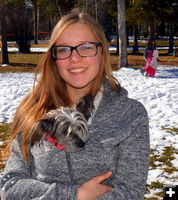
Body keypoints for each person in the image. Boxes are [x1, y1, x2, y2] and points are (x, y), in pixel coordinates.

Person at [1, 13, 150, 200]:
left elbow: (130, 193)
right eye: (64, 49)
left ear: (102, 52)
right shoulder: (32, 110)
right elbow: (10, 186)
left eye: (86, 47)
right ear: (54, 57)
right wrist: (74, 195)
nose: (75, 58)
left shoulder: (131, 115)